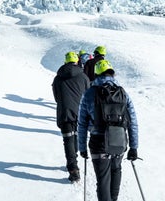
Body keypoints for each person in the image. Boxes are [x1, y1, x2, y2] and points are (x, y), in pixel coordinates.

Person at [77, 60, 139, 201]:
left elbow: (81, 123)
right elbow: (133, 122)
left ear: (96, 74)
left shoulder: (89, 94)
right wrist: (134, 147)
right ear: (112, 73)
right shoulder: (123, 93)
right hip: (119, 140)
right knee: (116, 170)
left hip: (98, 143)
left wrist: (81, 147)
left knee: (103, 179)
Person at [52, 51, 90, 182]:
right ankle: (74, 157)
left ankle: (73, 168)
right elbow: (88, 96)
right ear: (76, 61)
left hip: (64, 112)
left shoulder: (58, 78)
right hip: (80, 113)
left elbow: (56, 97)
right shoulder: (83, 77)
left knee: (67, 139)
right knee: (76, 136)